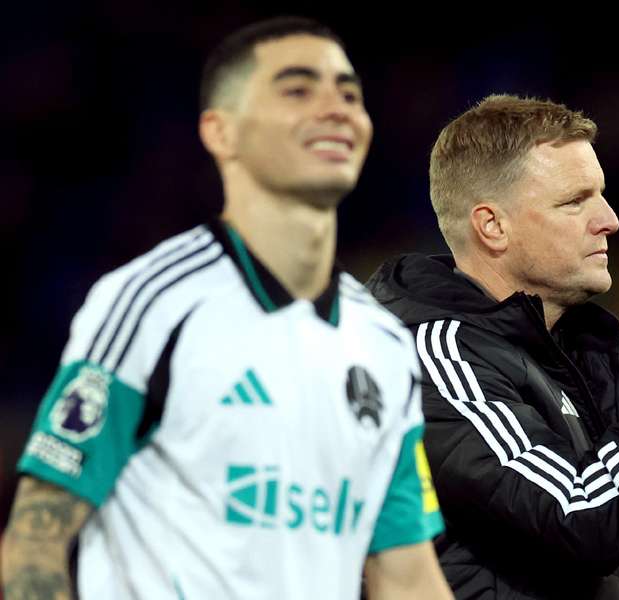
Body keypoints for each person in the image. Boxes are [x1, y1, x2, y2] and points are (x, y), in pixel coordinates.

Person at [1, 17, 452, 600]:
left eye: (349, 93)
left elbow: (406, 574)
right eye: (297, 89)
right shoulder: (153, 303)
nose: (335, 108)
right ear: (221, 132)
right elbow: (34, 543)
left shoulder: (384, 344)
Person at [366, 94, 619, 599]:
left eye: (601, 194)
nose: (610, 219)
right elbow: (584, 516)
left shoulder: (607, 357)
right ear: (492, 226)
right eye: (574, 200)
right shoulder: (434, 359)